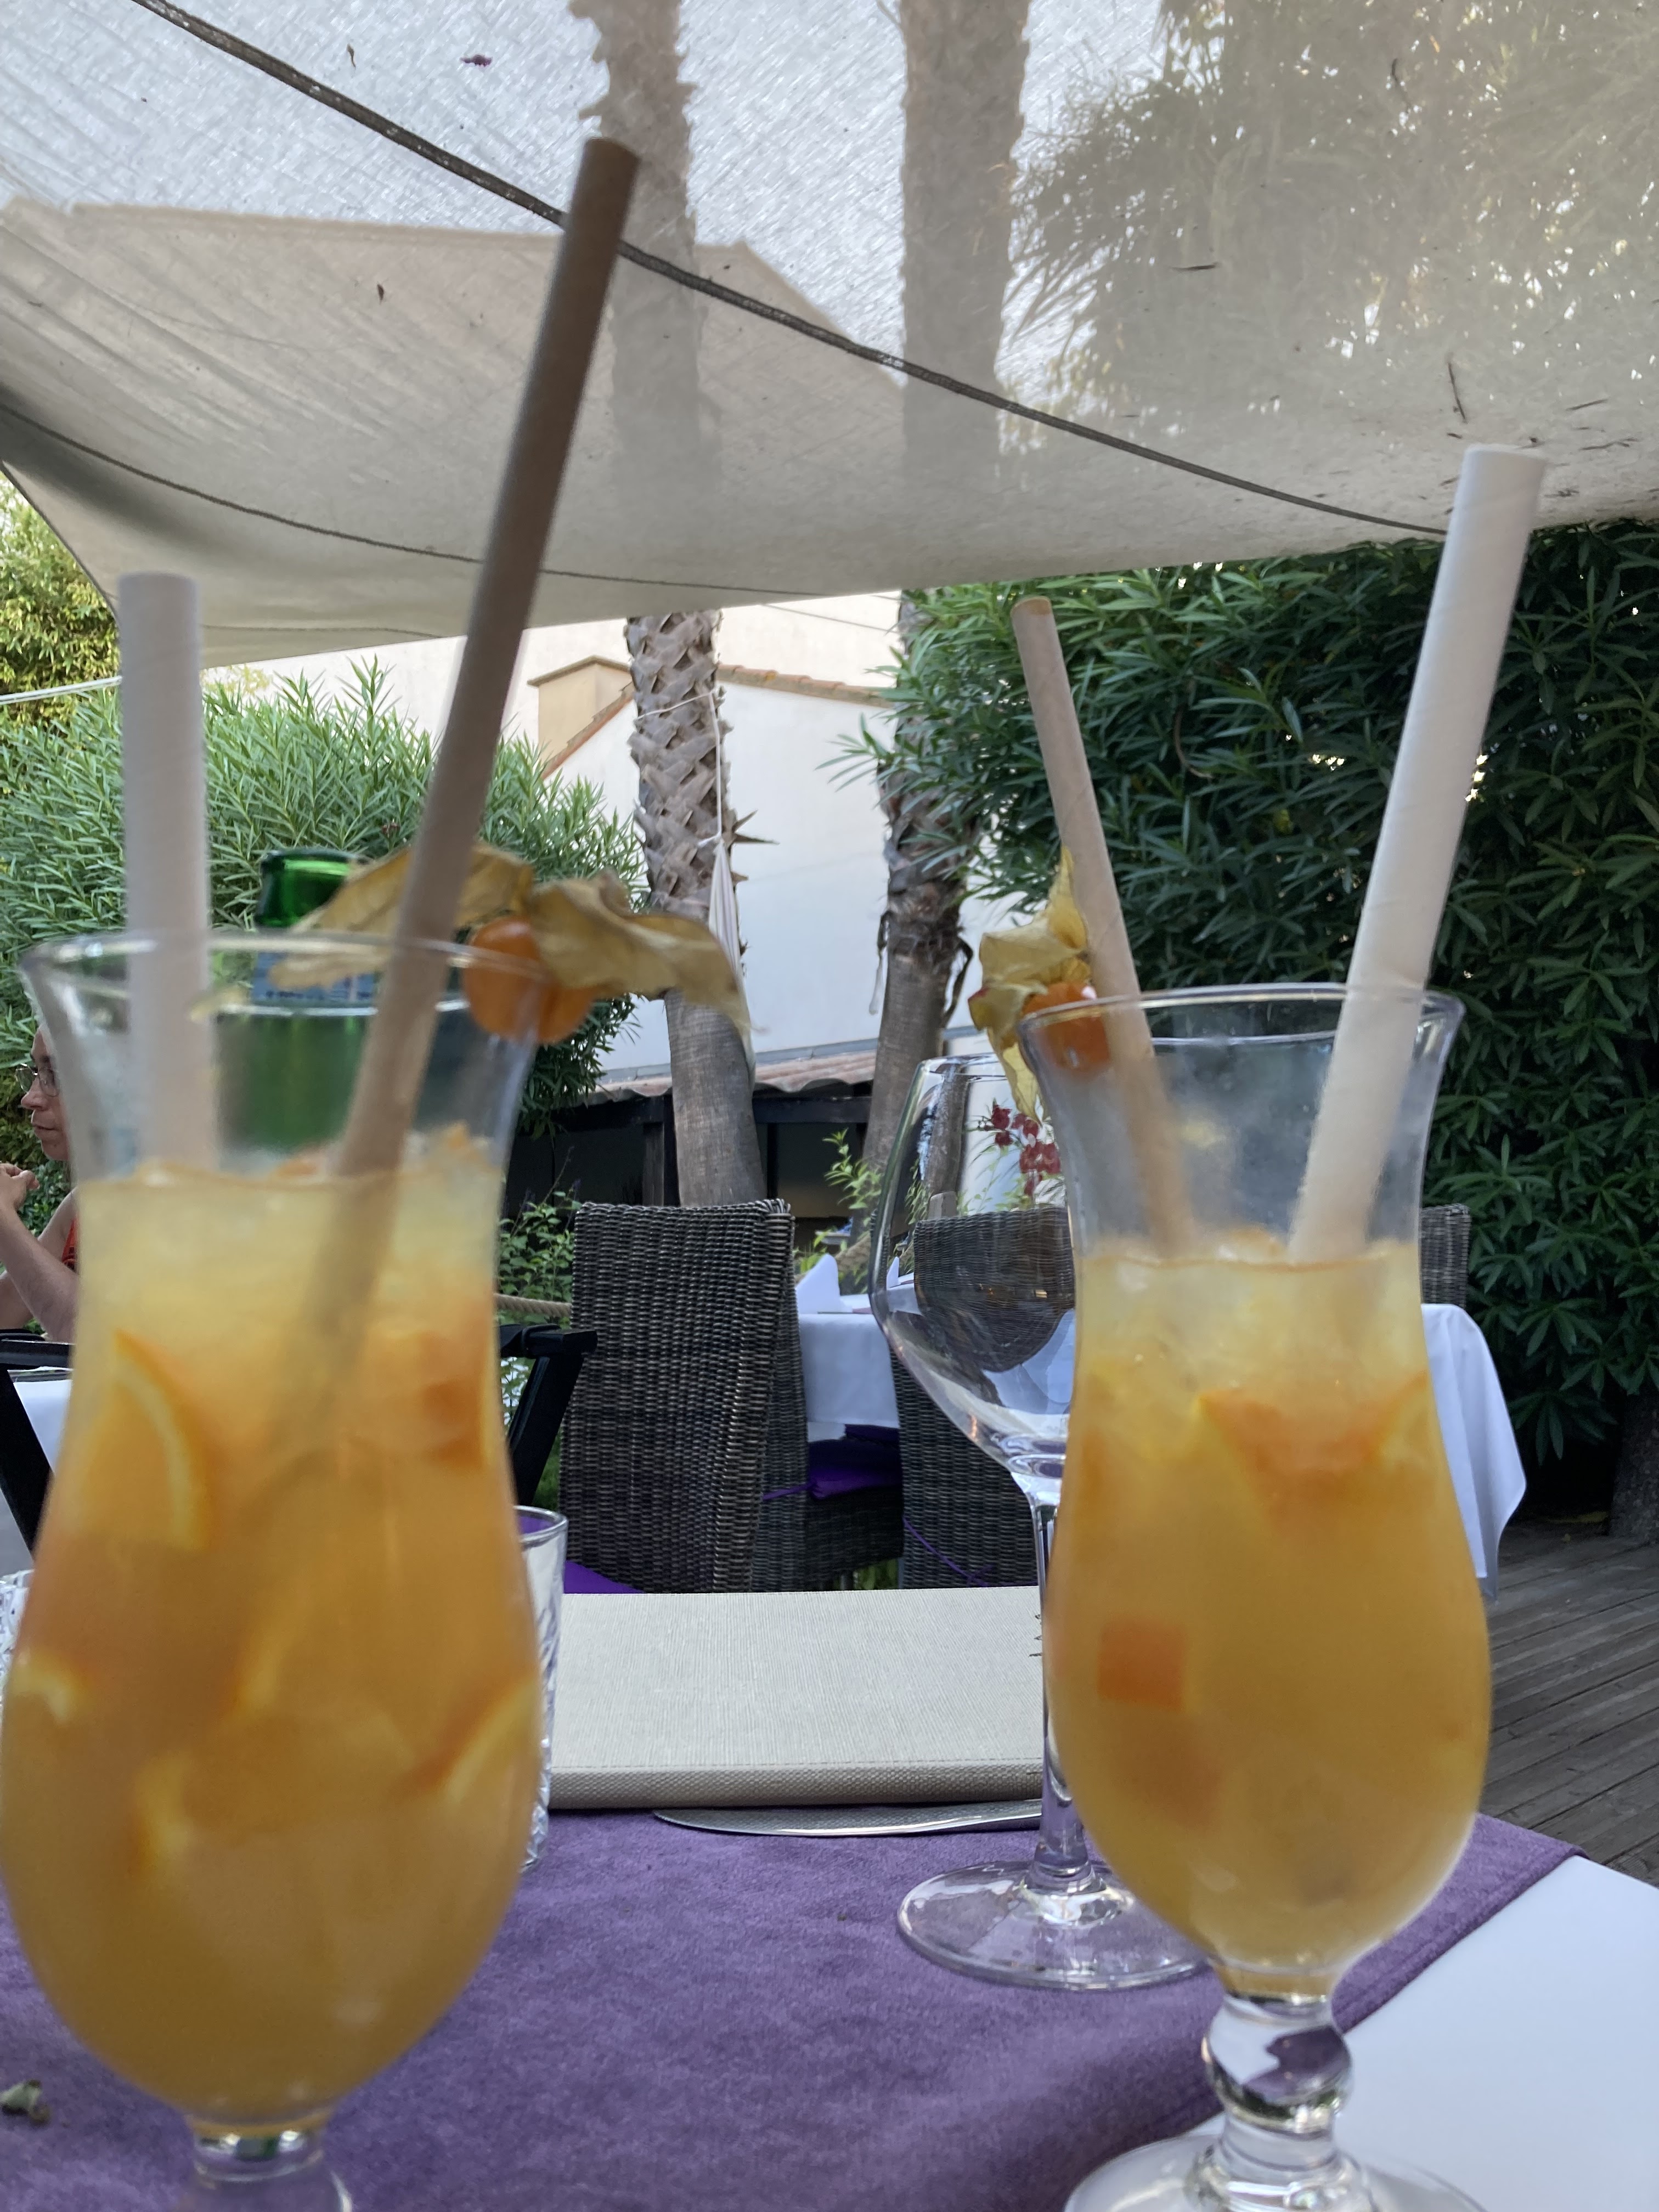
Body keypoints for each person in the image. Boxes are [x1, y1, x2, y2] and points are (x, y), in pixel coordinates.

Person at [0, 1032, 78, 1341]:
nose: (29, 1099)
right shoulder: (82, 1207)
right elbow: (7, 1305)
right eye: (37, 1073)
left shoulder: (172, 1204)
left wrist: (4, 1220)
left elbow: (85, 1335)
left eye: (55, 1074)